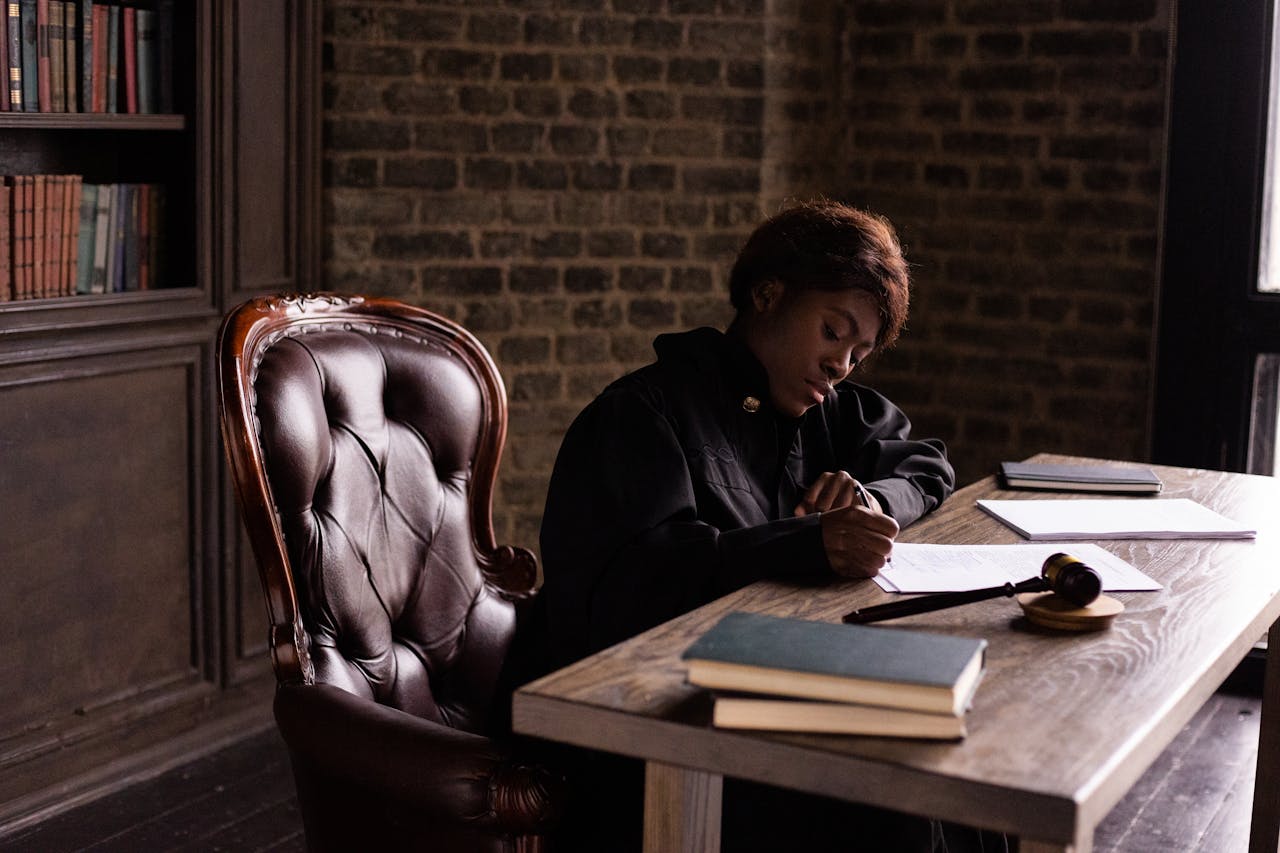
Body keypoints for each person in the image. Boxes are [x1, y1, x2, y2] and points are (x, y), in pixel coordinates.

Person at [529, 200, 1006, 851]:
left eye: (859, 353)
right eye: (833, 331)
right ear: (767, 293)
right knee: (902, 806)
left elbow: (925, 463)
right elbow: (639, 584)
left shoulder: (826, 411)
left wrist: (869, 497)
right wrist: (810, 541)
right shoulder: (644, 414)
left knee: (969, 779)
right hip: (665, 731)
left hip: (779, 699)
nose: (841, 365)